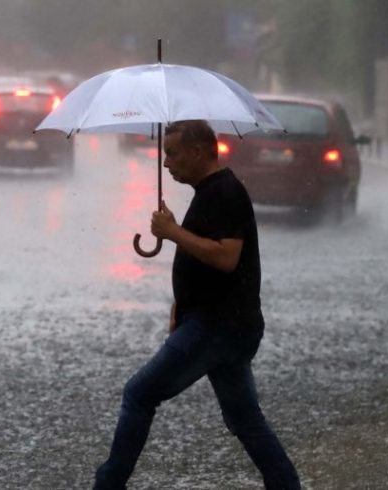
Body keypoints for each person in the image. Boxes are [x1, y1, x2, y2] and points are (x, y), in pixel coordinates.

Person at [93, 120, 301, 489]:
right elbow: (207, 260)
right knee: (245, 420)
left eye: (171, 153)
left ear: (199, 151)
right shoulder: (209, 191)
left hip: (218, 326)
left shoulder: (225, 192)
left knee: (139, 393)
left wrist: (172, 232)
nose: (166, 163)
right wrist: (182, 303)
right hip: (223, 323)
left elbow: (226, 257)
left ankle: (108, 485)